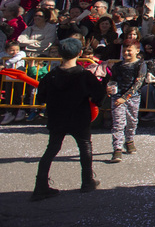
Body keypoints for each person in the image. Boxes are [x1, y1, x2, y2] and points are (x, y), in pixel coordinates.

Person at [30, 36, 105, 201]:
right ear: (79, 53)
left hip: (57, 117)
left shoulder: (50, 76)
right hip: (79, 116)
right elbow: (99, 95)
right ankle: (87, 182)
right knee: (85, 146)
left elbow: (41, 97)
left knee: (52, 148)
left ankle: (40, 185)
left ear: (60, 54)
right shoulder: (84, 76)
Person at [106, 39, 147, 162]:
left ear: (137, 51)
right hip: (117, 98)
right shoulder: (118, 65)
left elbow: (138, 83)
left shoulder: (140, 64)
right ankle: (117, 148)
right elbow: (113, 80)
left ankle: (129, 140)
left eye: (129, 50)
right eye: (124, 50)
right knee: (118, 123)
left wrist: (125, 97)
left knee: (132, 121)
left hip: (132, 97)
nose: (126, 53)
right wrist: (109, 87)